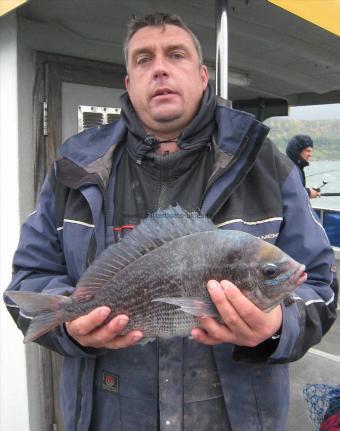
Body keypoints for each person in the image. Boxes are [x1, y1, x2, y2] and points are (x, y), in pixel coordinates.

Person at [4, 12, 336, 431]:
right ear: (128, 83)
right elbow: (28, 282)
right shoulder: (74, 167)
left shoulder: (269, 166)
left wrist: (276, 327)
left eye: (175, 54)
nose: (159, 67)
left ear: (202, 76)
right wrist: (71, 328)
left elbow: (320, 287)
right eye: (143, 59)